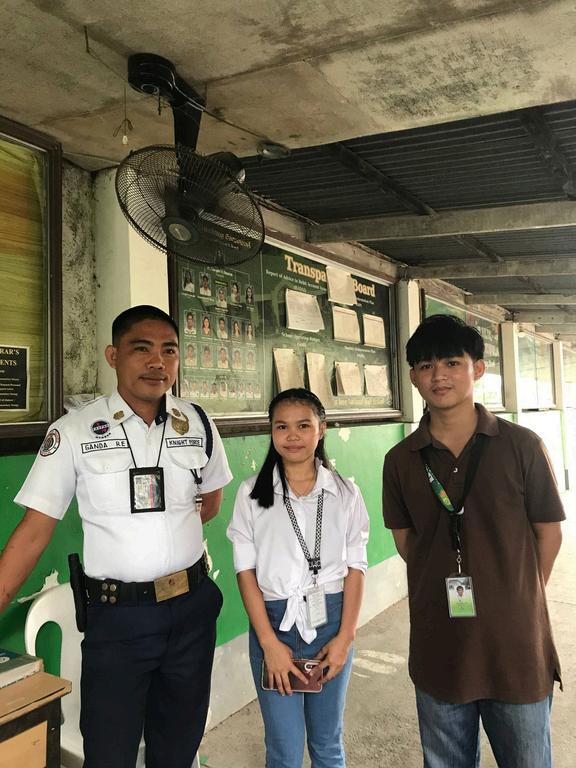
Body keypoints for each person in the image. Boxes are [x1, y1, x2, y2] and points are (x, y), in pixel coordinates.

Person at [1, 305, 233, 768]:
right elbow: (33, 533)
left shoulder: (197, 423)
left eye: (169, 351)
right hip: (119, 620)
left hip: (191, 611)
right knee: (109, 752)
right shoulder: (73, 432)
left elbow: (209, 503)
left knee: (179, 748)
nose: (157, 362)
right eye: (141, 349)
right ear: (113, 356)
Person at [382, 314, 564, 768]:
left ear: (477, 369)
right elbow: (407, 541)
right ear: (413, 377)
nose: (438, 376)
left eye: (451, 362)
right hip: (439, 641)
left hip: (515, 644)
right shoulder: (400, 460)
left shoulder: (521, 446)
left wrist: (517, 592)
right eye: (425, 366)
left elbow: (549, 532)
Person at [227, 388, 369, 768]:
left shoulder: (345, 493)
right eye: (282, 427)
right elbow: (245, 572)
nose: (292, 435)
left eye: (304, 426)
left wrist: (345, 637)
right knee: (284, 748)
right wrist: (268, 643)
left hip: (331, 624)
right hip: (274, 625)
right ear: (271, 432)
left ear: (321, 429)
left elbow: (357, 568)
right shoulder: (251, 494)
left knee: (327, 742)